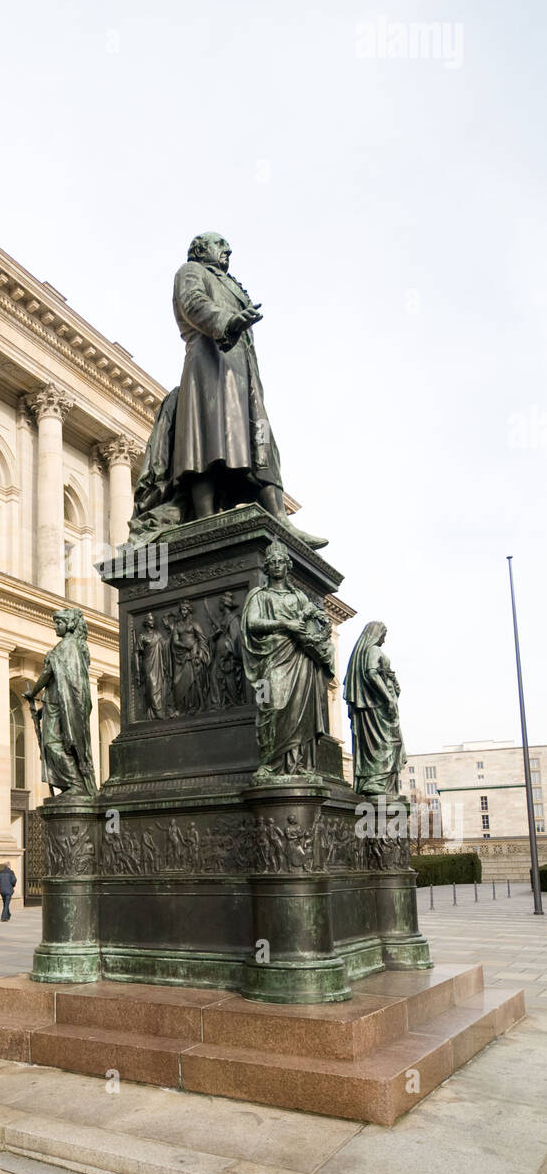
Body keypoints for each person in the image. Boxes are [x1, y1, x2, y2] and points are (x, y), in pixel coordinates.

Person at [128, 233, 326, 549]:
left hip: (242, 371)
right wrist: (230, 321)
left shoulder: (229, 282)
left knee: (259, 439)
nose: (227, 249)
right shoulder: (191, 271)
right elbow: (194, 303)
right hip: (209, 363)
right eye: (219, 244)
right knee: (206, 438)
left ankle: (280, 519)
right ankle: (206, 518)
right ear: (200, 249)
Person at [241, 539, 335, 778]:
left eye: (280, 562)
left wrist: (319, 625)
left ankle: (298, 765)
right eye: (271, 562)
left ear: (287, 566)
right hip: (273, 657)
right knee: (271, 706)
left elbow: (315, 622)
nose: (276, 565)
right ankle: (270, 762)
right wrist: (285, 624)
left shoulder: (299, 597)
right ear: (267, 567)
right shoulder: (260, 595)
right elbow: (253, 623)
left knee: (300, 712)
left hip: (300, 658)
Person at [23, 608, 97, 795]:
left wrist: (33, 692)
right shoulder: (76, 646)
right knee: (61, 743)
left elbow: (48, 673)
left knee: (52, 743)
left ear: (70, 625)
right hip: (58, 702)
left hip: (59, 702)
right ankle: (70, 785)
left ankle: (75, 784)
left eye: (59, 623)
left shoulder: (65, 647)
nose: (55, 626)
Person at [343, 621, 406, 797]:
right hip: (378, 707)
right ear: (377, 634)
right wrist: (388, 698)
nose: (384, 640)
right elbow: (371, 673)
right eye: (383, 635)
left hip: (378, 705)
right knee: (384, 743)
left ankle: (380, 783)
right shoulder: (373, 650)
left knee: (387, 743)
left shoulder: (368, 651)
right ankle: (375, 782)